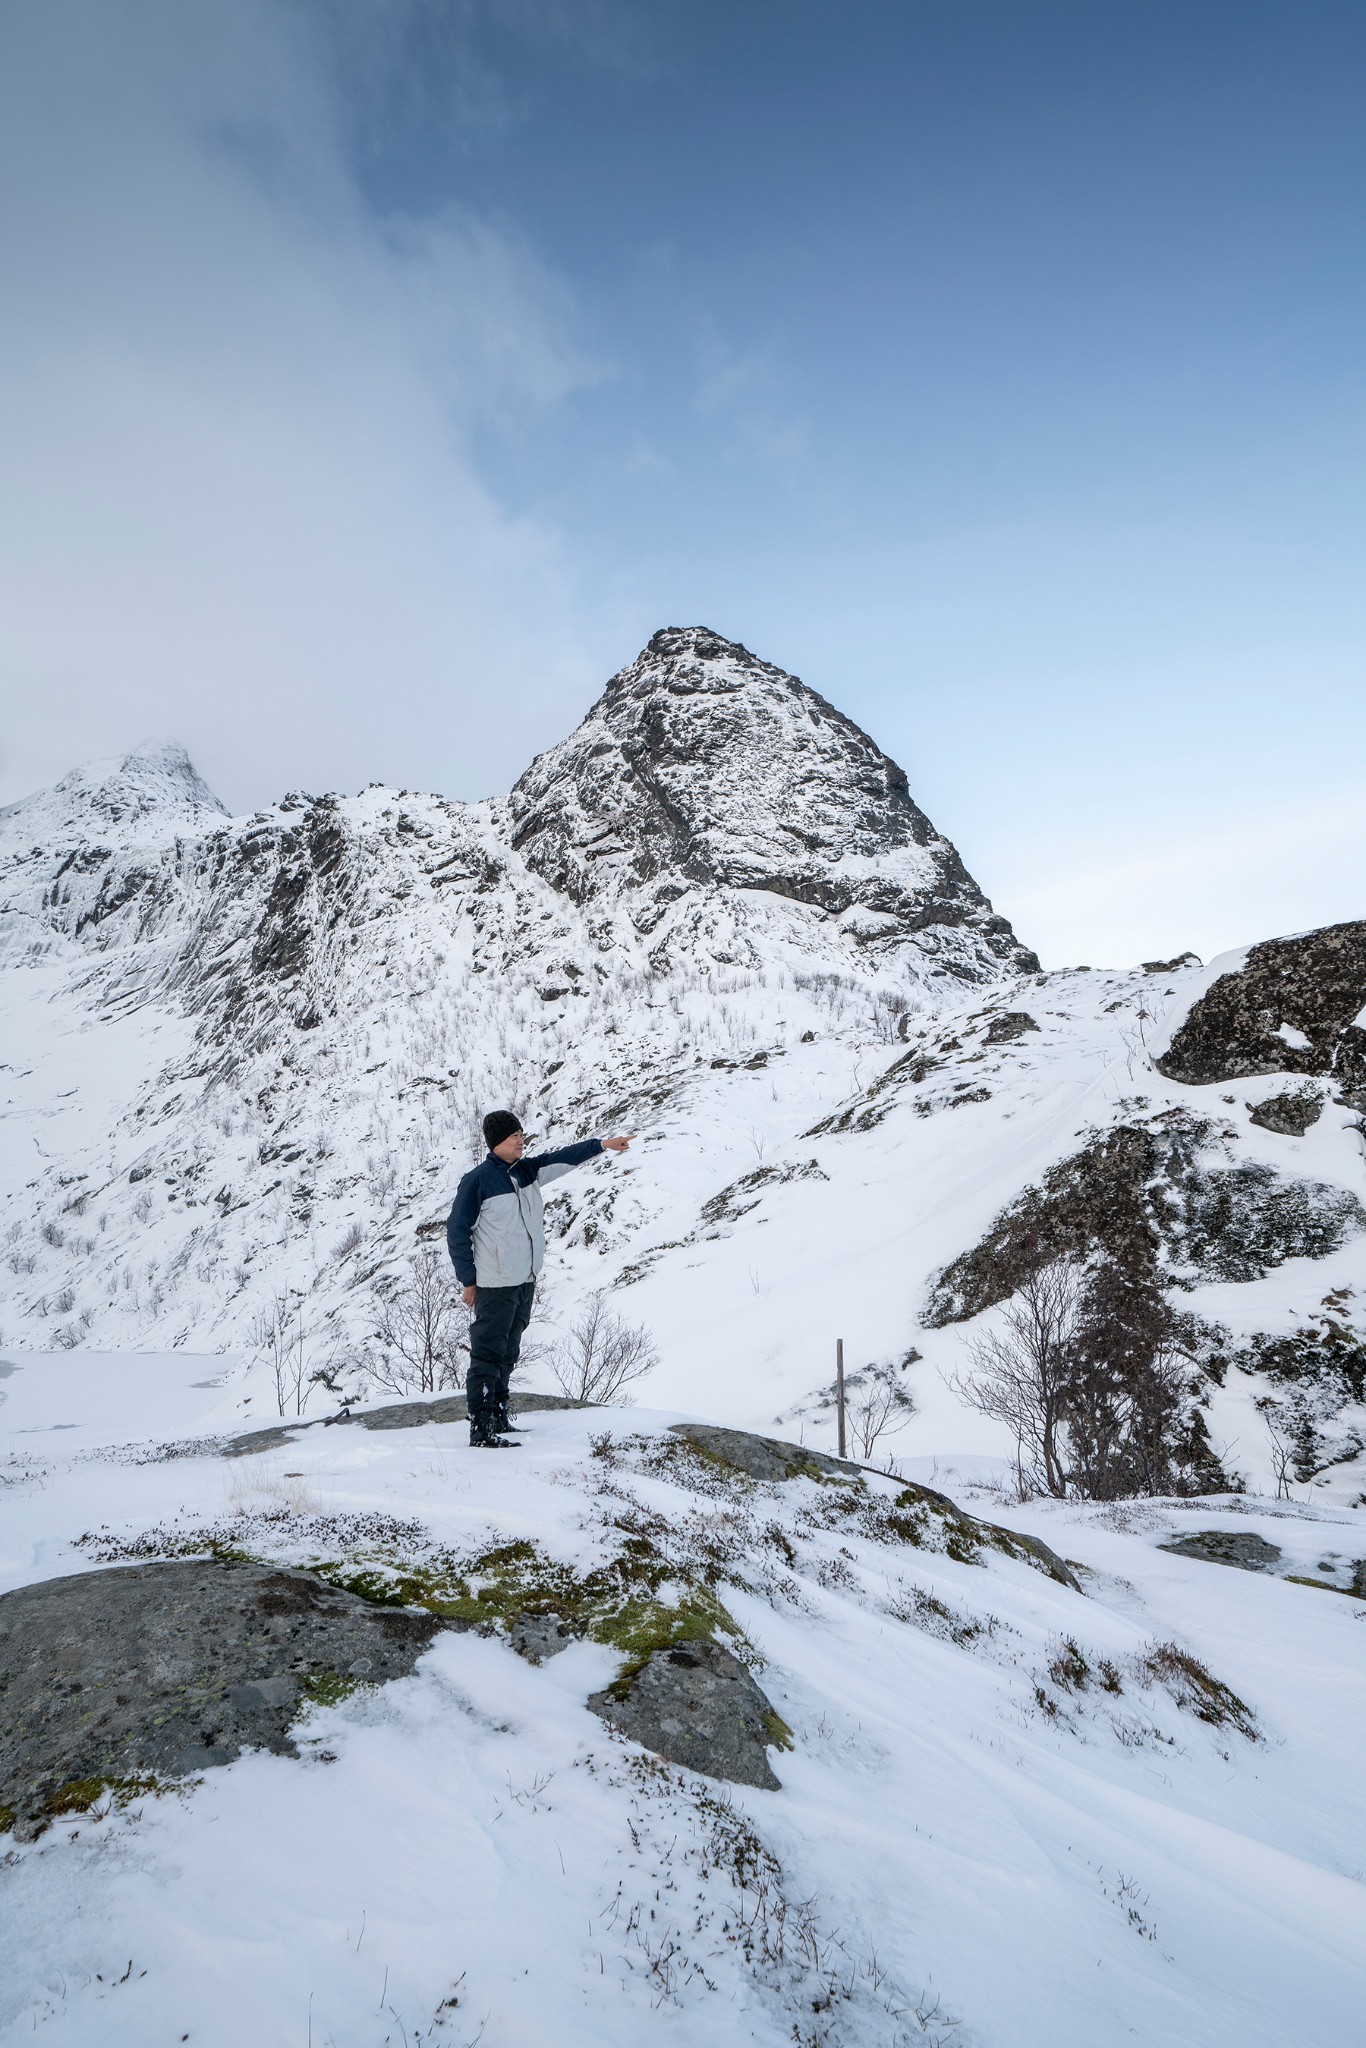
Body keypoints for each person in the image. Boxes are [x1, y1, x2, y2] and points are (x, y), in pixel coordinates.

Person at [446, 1111, 636, 1447]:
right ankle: (481, 1428)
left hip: (524, 1280)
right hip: (495, 1284)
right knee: (488, 1355)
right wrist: (468, 1280)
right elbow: (457, 1232)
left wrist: (603, 1146)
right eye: (513, 1136)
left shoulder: (527, 1171)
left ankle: (500, 1417)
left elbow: (563, 1158)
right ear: (497, 1143)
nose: (520, 1140)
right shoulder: (477, 1181)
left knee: (508, 1352)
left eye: (521, 1134)